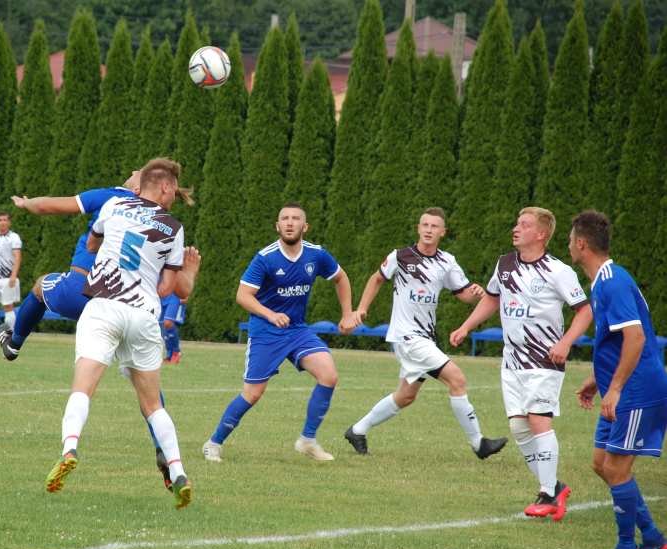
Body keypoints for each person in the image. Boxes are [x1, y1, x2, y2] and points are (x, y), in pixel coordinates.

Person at [2, 166, 200, 492]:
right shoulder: (174, 228)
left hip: (103, 305)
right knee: (153, 404)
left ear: (148, 183)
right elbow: (170, 289)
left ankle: (69, 448)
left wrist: (30, 205)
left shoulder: (113, 204)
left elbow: (92, 244)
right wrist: (188, 273)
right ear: (165, 189)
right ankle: (178, 470)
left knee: (83, 388)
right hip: (143, 315)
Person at [450, 207, 592, 521]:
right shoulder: (504, 264)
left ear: (541, 234)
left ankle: (549, 494)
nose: (516, 228)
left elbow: (585, 311)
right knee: (518, 426)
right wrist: (466, 326)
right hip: (512, 360)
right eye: (517, 222)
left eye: (524, 225)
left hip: (544, 359)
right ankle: (555, 485)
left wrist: (566, 342)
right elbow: (492, 298)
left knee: (538, 419)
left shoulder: (558, 271)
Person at [343, 208, 508, 459]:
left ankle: (357, 430)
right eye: (425, 225)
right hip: (407, 337)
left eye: (434, 226)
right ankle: (479, 444)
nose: (429, 230)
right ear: (418, 228)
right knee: (457, 379)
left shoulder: (447, 262)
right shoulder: (401, 256)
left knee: (406, 396)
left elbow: (462, 293)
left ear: (443, 232)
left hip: (425, 337)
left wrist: (476, 294)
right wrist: (362, 309)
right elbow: (377, 279)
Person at [203, 203, 359, 463]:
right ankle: (214, 443)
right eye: (284, 218)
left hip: (297, 330)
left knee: (328, 375)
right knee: (252, 394)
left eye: (295, 218)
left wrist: (347, 314)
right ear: (277, 226)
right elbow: (243, 295)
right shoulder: (265, 257)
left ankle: (307, 441)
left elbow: (340, 278)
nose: (289, 222)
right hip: (266, 332)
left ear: (304, 226)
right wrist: (270, 314)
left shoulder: (316, 255)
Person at [568, 211, 667, 549]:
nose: (568, 245)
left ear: (581, 243)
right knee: (601, 464)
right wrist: (598, 381)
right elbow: (615, 340)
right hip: (620, 387)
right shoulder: (600, 282)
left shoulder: (612, 280)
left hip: (638, 388)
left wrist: (616, 388)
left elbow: (637, 337)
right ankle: (653, 539)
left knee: (616, 468)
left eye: (569, 240)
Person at [159, 293, 186, 364]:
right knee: (164, 328)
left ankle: (176, 352)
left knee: (168, 323)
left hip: (176, 298)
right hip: (162, 298)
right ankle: (169, 356)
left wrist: (185, 294)